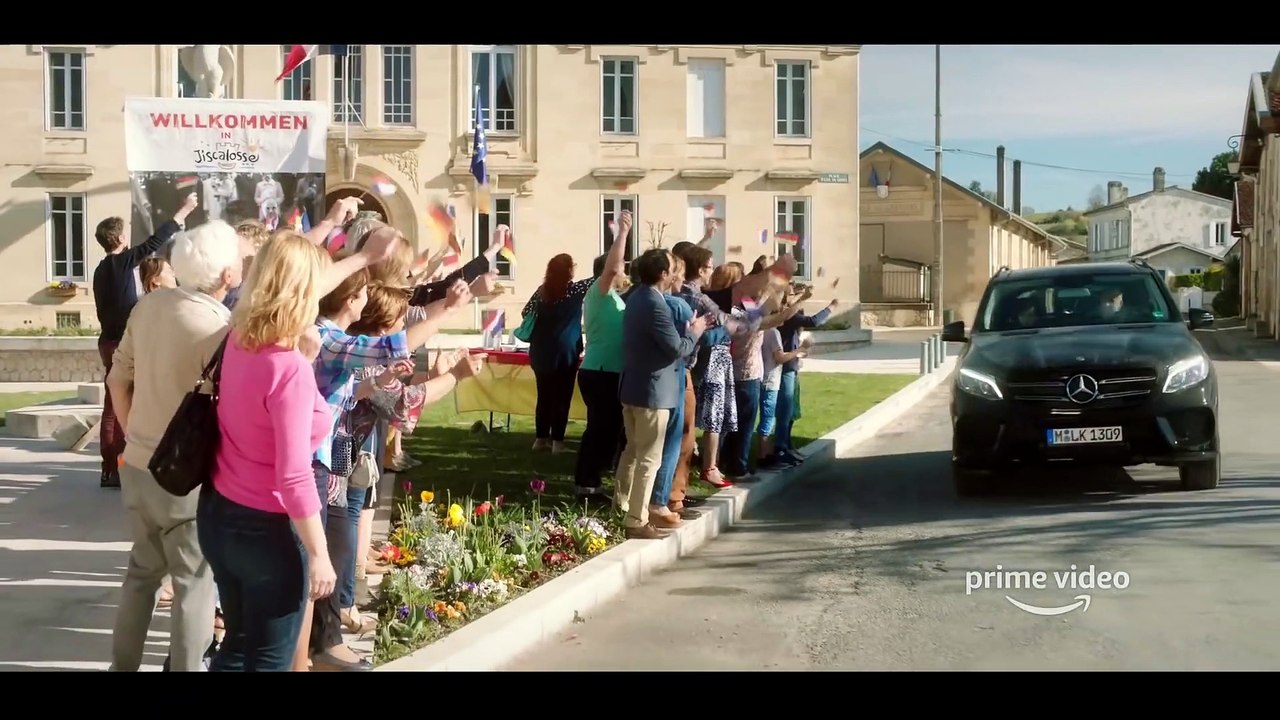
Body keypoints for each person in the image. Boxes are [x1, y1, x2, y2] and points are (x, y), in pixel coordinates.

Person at [105, 220, 253, 672]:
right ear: (228, 275)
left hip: (138, 463)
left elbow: (117, 377)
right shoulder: (222, 328)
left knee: (141, 575)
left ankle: (121, 668)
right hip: (185, 475)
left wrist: (135, 435)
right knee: (193, 584)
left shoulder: (149, 307)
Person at [93, 192, 198, 488]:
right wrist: (184, 211)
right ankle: (118, 466)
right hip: (120, 344)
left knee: (115, 405)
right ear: (122, 238)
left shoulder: (102, 269)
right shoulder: (120, 264)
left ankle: (113, 467)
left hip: (108, 341)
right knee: (119, 405)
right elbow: (154, 242)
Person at [615, 249, 707, 539]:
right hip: (652, 393)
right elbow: (677, 348)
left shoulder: (636, 297)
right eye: (671, 268)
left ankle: (623, 506)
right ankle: (636, 520)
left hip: (633, 387)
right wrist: (696, 330)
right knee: (648, 458)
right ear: (664, 274)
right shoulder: (654, 304)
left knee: (632, 453)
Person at [573, 211, 631, 501]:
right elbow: (610, 269)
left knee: (609, 429)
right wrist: (621, 234)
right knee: (599, 429)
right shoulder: (599, 291)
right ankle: (586, 485)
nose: (623, 270)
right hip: (600, 371)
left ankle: (594, 480)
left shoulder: (616, 297)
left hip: (611, 371)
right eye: (620, 266)